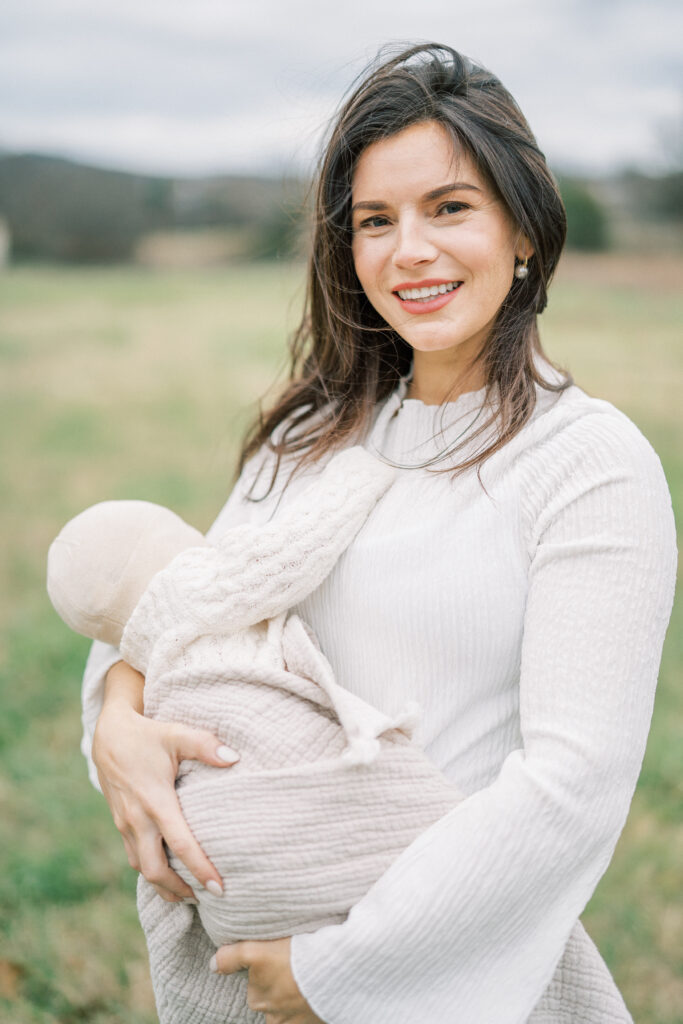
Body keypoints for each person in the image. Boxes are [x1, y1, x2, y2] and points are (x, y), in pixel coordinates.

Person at [81, 43, 677, 1024]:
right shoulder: (307, 437)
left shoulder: (586, 462)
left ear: (522, 229)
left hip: (432, 967)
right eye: (374, 221)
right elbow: (177, 605)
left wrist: (334, 973)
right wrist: (116, 717)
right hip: (249, 949)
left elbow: (569, 787)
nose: (409, 251)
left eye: (449, 208)